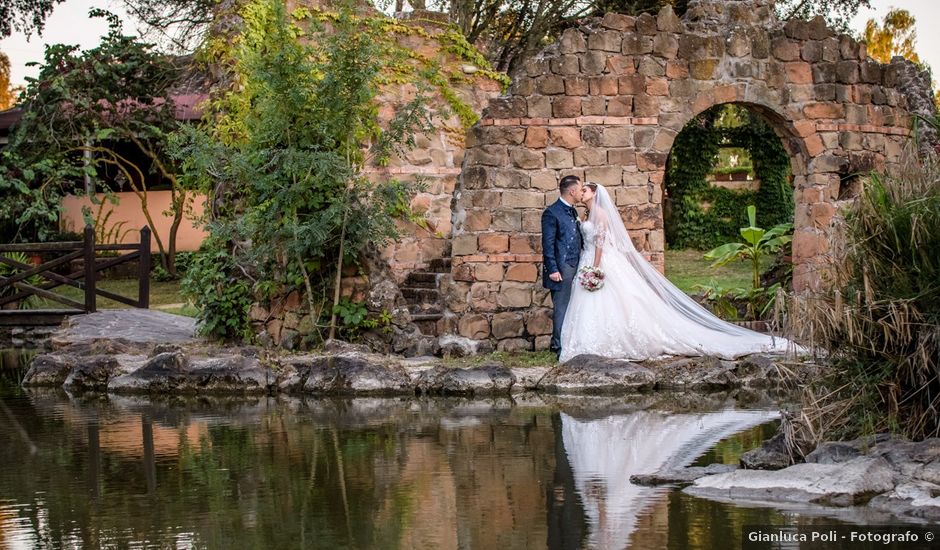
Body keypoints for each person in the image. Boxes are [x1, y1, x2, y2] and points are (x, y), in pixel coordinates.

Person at [558, 182, 798, 363]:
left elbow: (600, 242)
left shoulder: (599, 214)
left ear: (594, 194)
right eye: (581, 191)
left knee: (613, 299)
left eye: (585, 191)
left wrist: (596, 268)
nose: (581, 194)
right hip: (586, 260)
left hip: (599, 261)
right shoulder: (585, 214)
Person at [541, 175, 584, 359]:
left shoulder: (573, 211)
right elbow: (547, 244)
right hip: (562, 266)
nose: (582, 193)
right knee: (561, 307)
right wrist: (553, 270)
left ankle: (564, 342)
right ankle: (558, 347)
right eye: (580, 189)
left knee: (573, 306)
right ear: (572, 191)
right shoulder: (551, 212)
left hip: (576, 264)